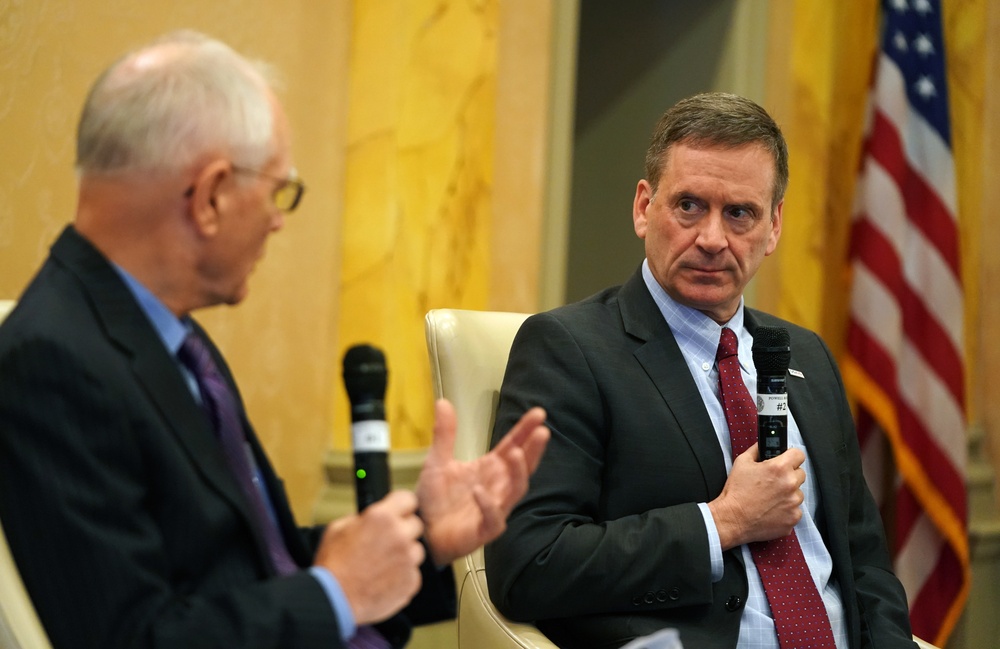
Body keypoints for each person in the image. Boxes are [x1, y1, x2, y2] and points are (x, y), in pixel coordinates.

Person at [0, 31, 549, 649]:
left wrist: (423, 537)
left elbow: (263, 564)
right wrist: (335, 593)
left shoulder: (173, 339)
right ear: (209, 196)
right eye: (277, 191)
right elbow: (132, 637)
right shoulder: (53, 359)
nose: (278, 220)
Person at [485, 92, 916, 649]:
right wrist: (723, 522)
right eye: (689, 206)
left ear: (774, 227)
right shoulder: (570, 349)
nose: (713, 239)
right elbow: (529, 563)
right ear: (644, 208)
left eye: (739, 213)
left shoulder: (806, 356)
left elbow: (865, 564)